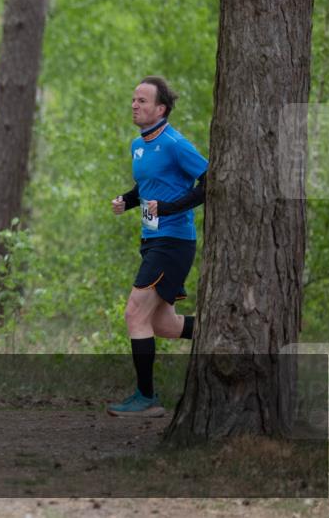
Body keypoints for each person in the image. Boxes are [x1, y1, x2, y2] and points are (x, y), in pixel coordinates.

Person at [108, 76, 208, 417]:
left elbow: (208, 183)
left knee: (135, 313)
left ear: (161, 109)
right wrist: (128, 200)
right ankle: (223, 333)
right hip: (152, 240)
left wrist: (168, 209)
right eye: (134, 100)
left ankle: (146, 398)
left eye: (142, 101)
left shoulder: (176, 143)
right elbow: (147, 187)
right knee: (164, 325)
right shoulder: (139, 144)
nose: (135, 105)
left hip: (174, 240)